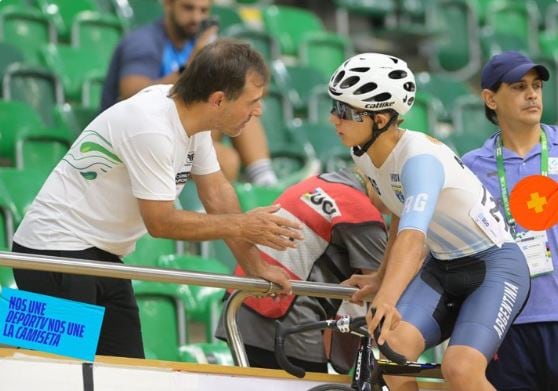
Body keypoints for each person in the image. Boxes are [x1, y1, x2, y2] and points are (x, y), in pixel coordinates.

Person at [11, 39, 303, 359]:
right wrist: (243, 225)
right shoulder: (150, 126)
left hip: (101, 254)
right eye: (253, 101)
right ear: (219, 100)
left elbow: (217, 193)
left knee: (126, 373)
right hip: (51, 250)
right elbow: (160, 222)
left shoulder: (195, 122)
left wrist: (256, 267)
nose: (258, 110)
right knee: (61, 375)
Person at [328, 52, 530, 390]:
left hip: (494, 265)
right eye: (335, 106)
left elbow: (413, 237)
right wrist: (382, 276)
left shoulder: (419, 160)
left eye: (346, 112)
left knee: (461, 369)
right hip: (444, 266)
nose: (335, 119)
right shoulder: (363, 152)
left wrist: (389, 297)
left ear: (380, 120)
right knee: (392, 354)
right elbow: (399, 212)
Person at [215, 167, 387, 373]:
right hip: (289, 328)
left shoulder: (314, 183)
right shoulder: (360, 211)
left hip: (241, 313)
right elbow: (383, 293)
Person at [101, 0, 277, 186]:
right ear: (168, 4)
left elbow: (255, 87)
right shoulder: (143, 41)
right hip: (140, 137)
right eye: (188, 8)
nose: (196, 17)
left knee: (242, 104)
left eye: (203, 10)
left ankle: (265, 180)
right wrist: (192, 63)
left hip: (181, 134)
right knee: (225, 159)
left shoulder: (201, 43)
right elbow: (132, 94)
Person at [462, 51, 558, 390]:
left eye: (537, 86)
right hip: (506, 327)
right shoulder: (471, 168)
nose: (533, 94)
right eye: (519, 87)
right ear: (490, 99)